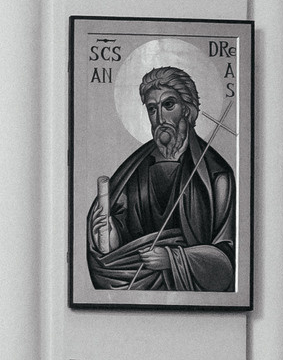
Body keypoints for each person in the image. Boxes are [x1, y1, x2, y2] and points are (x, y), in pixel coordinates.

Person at [85, 65, 236, 292]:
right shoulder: (134, 170)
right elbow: (116, 248)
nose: (160, 117)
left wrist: (172, 258)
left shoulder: (216, 176)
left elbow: (226, 259)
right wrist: (108, 235)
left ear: (187, 109)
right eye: (152, 109)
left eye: (168, 105)